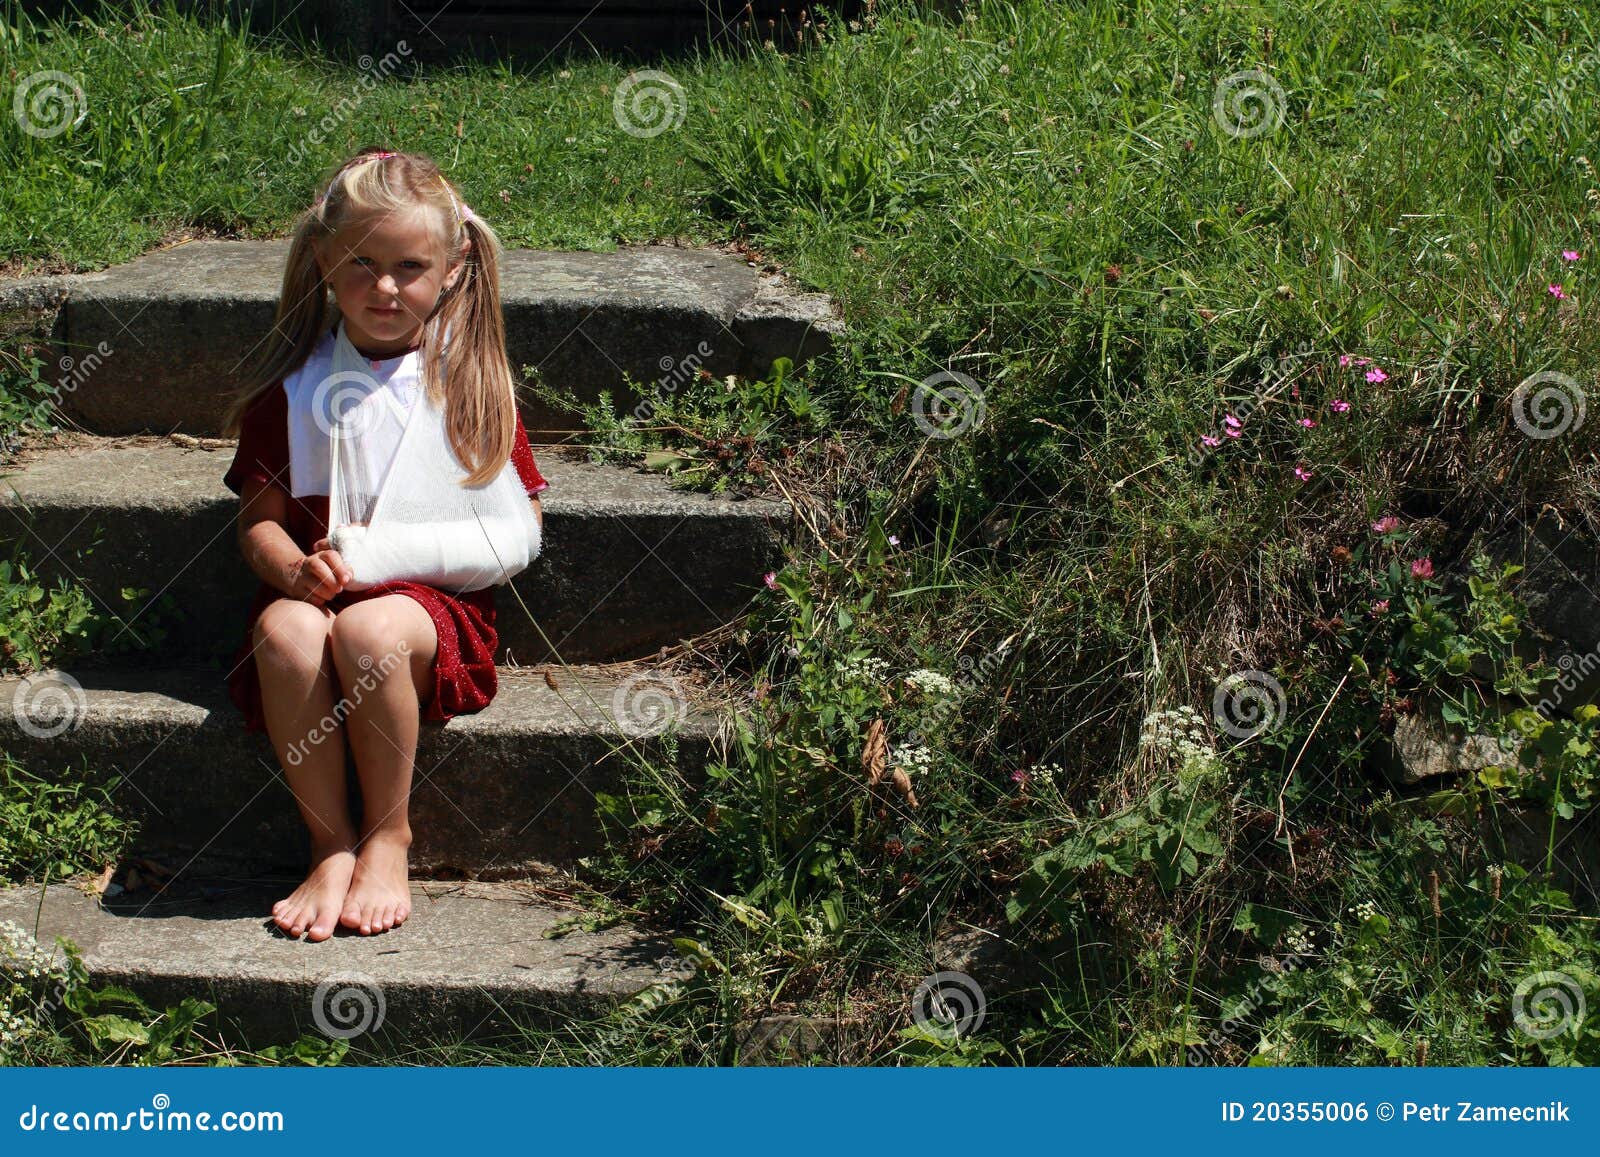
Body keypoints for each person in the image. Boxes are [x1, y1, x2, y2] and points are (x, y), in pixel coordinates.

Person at [219, 148, 548, 941]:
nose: (386, 287)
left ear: (455, 267)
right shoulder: (293, 390)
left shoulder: (469, 386)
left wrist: (380, 561)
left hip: (425, 614)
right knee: (282, 632)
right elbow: (257, 523)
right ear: (325, 261)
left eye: (410, 266)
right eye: (362, 265)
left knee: (368, 630)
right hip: (315, 590)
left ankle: (388, 834)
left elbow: (515, 531)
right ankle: (330, 841)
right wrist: (290, 568)